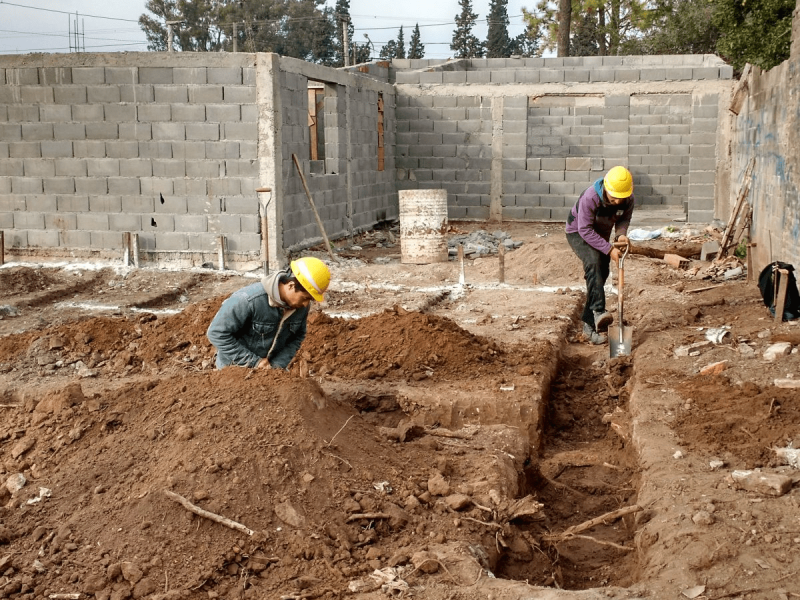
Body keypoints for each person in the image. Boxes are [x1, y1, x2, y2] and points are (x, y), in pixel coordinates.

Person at [207, 256, 331, 369]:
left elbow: (297, 337)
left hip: (268, 373)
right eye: (305, 298)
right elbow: (217, 333)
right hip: (234, 371)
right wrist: (254, 362)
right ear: (291, 285)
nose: (306, 304)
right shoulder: (248, 300)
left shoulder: (300, 307)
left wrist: (277, 366)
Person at [565, 166, 635, 345]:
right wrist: (610, 249)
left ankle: (589, 326)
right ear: (606, 189)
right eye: (614, 199)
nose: (618, 202)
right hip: (579, 232)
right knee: (594, 263)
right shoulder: (590, 197)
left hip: (601, 236)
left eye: (622, 199)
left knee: (601, 274)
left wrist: (621, 234)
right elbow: (585, 230)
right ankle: (597, 311)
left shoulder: (627, 198)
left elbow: (623, 219)